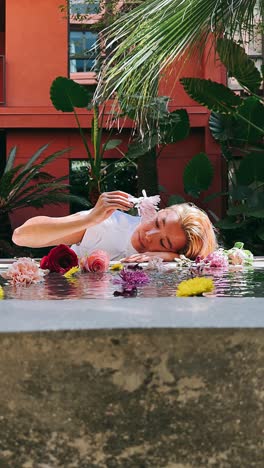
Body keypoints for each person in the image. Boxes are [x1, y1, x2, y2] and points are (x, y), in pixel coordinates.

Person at [12, 191, 218, 262]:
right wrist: (90, 219)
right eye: (157, 222)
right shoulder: (108, 224)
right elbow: (21, 237)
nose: (149, 235)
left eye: (163, 243)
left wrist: (173, 259)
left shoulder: (172, 260)